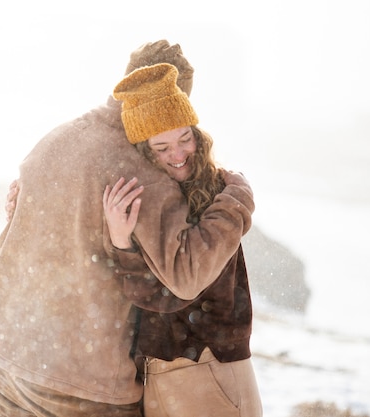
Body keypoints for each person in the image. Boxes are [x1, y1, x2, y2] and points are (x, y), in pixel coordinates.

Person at [0, 40, 254, 417]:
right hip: (77, 378)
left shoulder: (56, 137)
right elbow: (186, 276)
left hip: (2, 345)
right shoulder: (140, 172)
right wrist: (239, 198)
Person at [103, 63, 262, 417]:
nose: (177, 155)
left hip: (208, 366)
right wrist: (121, 240)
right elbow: (156, 294)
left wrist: (239, 197)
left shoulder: (216, 193)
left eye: (184, 138)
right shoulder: (152, 199)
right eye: (161, 148)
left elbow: (174, 293)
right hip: (166, 371)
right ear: (144, 153)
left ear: (197, 133)